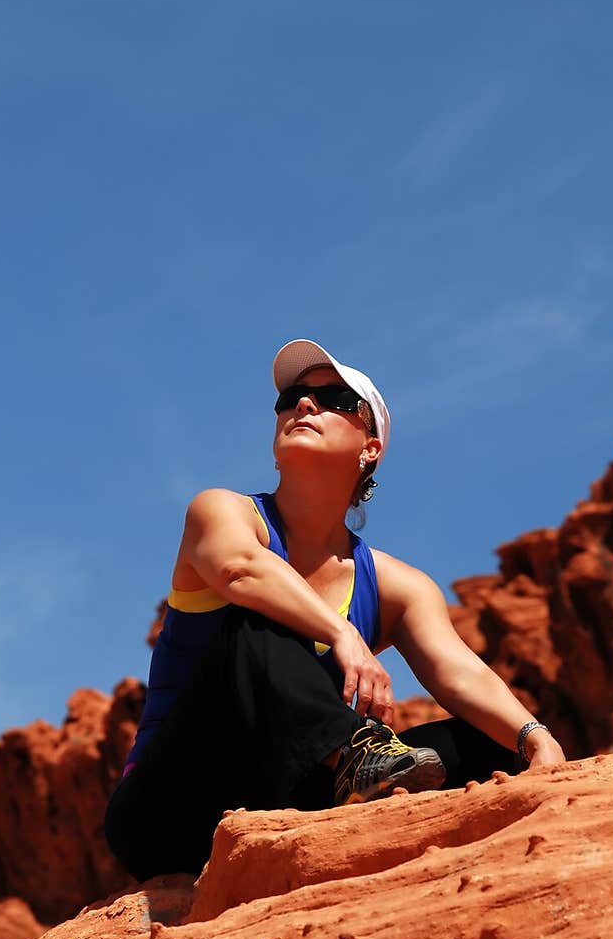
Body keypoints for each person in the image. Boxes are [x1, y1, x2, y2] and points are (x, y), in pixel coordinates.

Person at [104, 338, 566, 881]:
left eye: (334, 399)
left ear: (370, 448)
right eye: (293, 397)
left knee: (489, 743)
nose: (303, 405)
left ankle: (374, 815)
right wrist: (342, 634)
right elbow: (239, 570)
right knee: (257, 619)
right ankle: (358, 755)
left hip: (288, 797)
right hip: (172, 809)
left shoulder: (396, 583)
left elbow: (456, 670)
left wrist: (536, 738)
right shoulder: (223, 511)